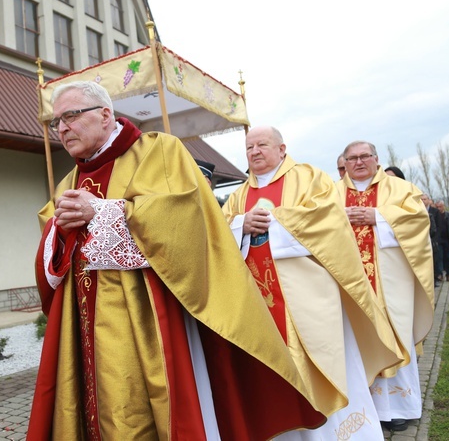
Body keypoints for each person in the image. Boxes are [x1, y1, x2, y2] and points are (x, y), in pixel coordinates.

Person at [28, 81, 325, 440]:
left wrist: (103, 212)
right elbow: (52, 235)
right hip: (86, 320)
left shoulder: (159, 151)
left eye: (71, 116)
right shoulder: (70, 180)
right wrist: (59, 231)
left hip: (146, 315)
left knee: (134, 410)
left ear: (105, 115)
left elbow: (188, 216)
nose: (62, 128)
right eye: (56, 121)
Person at [222, 126, 401, 439]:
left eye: (262, 144)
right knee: (275, 375)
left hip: (311, 300)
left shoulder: (310, 178)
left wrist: (273, 221)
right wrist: (239, 224)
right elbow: (219, 230)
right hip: (260, 305)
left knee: (327, 366)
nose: (254, 152)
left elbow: (328, 221)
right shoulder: (238, 196)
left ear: (282, 148)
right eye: (249, 147)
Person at [337, 141, 435, 432]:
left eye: (365, 156)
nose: (358, 162)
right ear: (345, 162)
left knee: (395, 336)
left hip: (390, 284)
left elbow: (419, 222)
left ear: (376, 159)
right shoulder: (330, 193)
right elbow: (316, 225)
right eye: (352, 158)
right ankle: (364, 408)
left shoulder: (400, 190)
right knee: (355, 340)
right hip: (349, 285)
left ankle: (400, 407)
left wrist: (377, 218)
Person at [421, 194, 442, 287]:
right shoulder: (416, 211)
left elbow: (436, 227)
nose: (423, 201)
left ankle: (434, 279)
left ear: (428, 200)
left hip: (432, 240)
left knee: (433, 261)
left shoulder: (434, 213)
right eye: (421, 199)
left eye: (425, 199)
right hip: (420, 241)